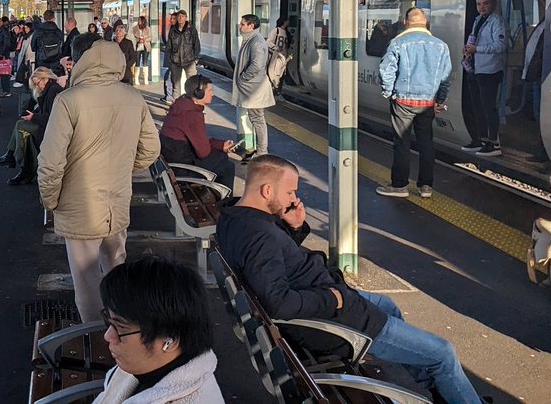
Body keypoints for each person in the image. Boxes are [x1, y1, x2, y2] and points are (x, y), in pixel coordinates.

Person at [217, 155, 485, 404]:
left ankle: (441, 387)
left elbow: (277, 266)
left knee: (388, 305)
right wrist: (333, 298)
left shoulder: (235, 219)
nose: (293, 199)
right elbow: (279, 303)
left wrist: (295, 228)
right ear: (267, 191)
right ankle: (448, 384)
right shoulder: (259, 235)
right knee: (443, 354)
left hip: (327, 302)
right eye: (289, 192)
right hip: (338, 321)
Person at [37, 40, 161, 322]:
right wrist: (124, 169)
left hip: (78, 205)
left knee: (86, 280)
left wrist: (51, 200)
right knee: (117, 266)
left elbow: (50, 161)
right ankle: (123, 330)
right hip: (116, 201)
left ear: (83, 62)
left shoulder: (69, 100)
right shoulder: (133, 97)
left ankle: (98, 337)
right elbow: (152, 149)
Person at [94, 256, 224, 404]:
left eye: (121, 327)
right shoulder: (153, 366)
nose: (108, 336)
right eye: (109, 322)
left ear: (170, 340)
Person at [376, 8, 451, 199]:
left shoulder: (397, 43)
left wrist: (389, 92)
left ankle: (400, 185)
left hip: (403, 101)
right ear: (425, 22)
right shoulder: (441, 46)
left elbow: (386, 71)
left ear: (405, 22)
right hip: (427, 102)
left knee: (402, 142)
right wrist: (439, 100)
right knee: (426, 142)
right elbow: (445, 79)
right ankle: (426, 186)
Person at [0, 67, 64, 185]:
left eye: (37, 83)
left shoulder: (52, 91)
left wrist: (33, 117)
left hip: (51, 128)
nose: (37, 87)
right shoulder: (51, 89)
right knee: (23, 133)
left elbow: (52, 118)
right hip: (47, 125)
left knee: (21, 126)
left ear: (45, 78)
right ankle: (22, 166)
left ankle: (14, 159)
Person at [159, 75, 235, 181]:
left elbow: (197, 140)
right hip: (182, 167)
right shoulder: (192, 114)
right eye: (209, 91)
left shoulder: (181, 104)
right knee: (227, 166)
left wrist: (220, 145)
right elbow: (203, 152)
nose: (212, 94)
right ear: (199, 93)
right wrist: (219, 147)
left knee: (220, 156)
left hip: (171, 161)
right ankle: (222, 197)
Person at [461, 0, 508, 157]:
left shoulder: (497, 21)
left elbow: (501, 45)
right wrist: (468, 49)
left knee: (488, 107)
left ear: (494, 4)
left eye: (486, 3)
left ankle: (493, 143)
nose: (482, 7)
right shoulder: (478, 20)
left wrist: (477, 49)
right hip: (476, 68)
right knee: (477, 106)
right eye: (479, 4)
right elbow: (474, 39)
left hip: (490, 70)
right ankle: (480, 140)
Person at [231, 14, 274, 160]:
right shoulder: (251, 39)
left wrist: (243, 78)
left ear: (251, 26)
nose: (240, 26)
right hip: (252, 87)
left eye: (242, 24)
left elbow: (257, 64)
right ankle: (260, 149)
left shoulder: (256, 42)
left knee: (257, 118)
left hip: (255, 88)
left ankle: (262, 151)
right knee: (255, 117)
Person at [166, 10, 200, 104]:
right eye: (179, 16)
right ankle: (176, 106)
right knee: (176, 85)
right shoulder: (173, 31)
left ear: (186, 18)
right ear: (177, 18)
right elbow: (169, 46)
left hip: (189, 61)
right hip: (175, 61)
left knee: (193, 84)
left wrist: (195, 59)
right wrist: (170, 60)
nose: (180, 18)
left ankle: (194, 104)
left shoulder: (191, 30)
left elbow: (196, 44)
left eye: (182, 16)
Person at [32, 9, 66, 74]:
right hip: (55, 62)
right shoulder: (58, 31)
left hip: (41, 62)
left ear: (44, 18)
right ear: (53, 18)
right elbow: (62, 46)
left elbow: (33, 48)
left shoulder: (38, 31)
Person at [132, 15, 151, 85]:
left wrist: (144, 40)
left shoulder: (147, 28)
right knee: (137, 62)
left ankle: (145, 78)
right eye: (138, 20)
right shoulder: (134, 28)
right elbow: (133, 37)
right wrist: (138, 40)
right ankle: (136, 79)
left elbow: (150, 37)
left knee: (145, 62)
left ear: (143, 21)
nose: (139, 21)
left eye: (140, 20)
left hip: (145, 46)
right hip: (138, 47)